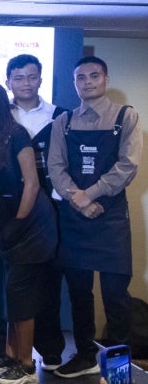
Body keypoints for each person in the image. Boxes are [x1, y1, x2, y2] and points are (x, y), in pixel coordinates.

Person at [48, 56, 142, 379]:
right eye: (81, 77)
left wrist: (92, 194)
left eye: (94, 76)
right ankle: (86, 355)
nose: (87, 82)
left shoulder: (125, 117)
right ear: (75, 83)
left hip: (111, 219)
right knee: (78, 294)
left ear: (105, 78)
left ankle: (117, 369)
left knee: (116, 296)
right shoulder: (64, 122)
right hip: (75, 219)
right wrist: (79, 200)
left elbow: (127, 167)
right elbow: (55, 168)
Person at [0, 81, 58, 384]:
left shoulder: (17, 134)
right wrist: (0, 222)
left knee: (22, 295)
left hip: (33, 223)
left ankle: (26, 365)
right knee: (8, 293)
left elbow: (31, 183)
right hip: (7, 223)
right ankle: (9, 354)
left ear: (1, 104)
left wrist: (17, 222)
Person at [6, 53, 67, 372]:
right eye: (18, 77)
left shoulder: (60, 116)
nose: (25, 83)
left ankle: (51, 347)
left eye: (31, 76)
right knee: (13, 284)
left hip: (50, 211)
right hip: (12, 211)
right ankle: (10, 351)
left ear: (41, 79)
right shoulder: (1, 116)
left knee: (49, 280)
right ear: (9, 82)